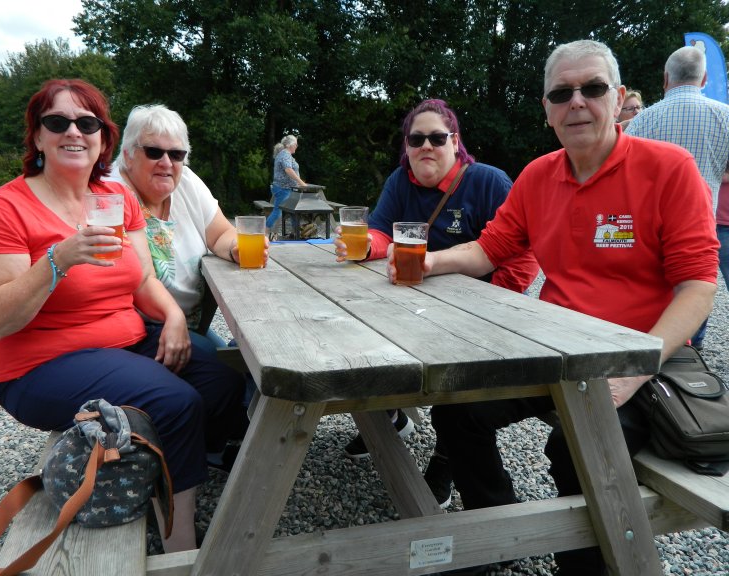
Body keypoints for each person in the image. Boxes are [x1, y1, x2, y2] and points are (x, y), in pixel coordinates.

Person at [388, 41, 718, 575]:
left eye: (592, 89)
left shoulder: (668, 168)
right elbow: (490, 248)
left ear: (619, 99)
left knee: (577, 445)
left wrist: (637, 369)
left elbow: (699, 285)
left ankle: (584, 565)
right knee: (457, 409)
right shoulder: (540, 175)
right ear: (546, 109)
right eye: (561, 93)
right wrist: (427, 262)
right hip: (556, 350)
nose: (577, 103)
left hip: (638, 356)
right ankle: (499, 536)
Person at [0, 79, 249, 553]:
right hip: (39, 366)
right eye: (58, 122)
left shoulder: (110, 200)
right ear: (37, 136)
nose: (73, 132)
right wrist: (58, 260)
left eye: (87, 122)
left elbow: (140, 279)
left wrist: (174, 319)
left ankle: (163, 468)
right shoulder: (5, 208)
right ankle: (180, 539)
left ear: (103, 138)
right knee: (177, 403)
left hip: (121, 344)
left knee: (223, 375)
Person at [334, 99, 539, 510]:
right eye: (416, 138)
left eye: (436, 137)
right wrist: (361, 247)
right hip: (417, 298)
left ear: (455, 142)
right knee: (363, 329)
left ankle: (446, 457)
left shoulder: (488, 181)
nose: (426, 146)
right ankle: (386, 415)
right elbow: (379, 232)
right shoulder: (400, 181)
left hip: (477, 312)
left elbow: (525, 253)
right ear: (406, 146)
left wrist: (496, 296)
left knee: (458, 379)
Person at [108, 104, 266, 357]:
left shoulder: (187, 183)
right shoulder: (108, 196)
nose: (166, 162)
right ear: (127, 155)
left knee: (254, 349)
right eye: (154, 151)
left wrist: (236, 248)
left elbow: (221, 233)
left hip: (189, 322)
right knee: (233, 364)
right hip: (139, 329)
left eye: (177, 154)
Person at [627, 45, 729, 349]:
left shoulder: (644, 120)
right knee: (695, 290)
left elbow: (627, 174)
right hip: (703, 226)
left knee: (654, 293)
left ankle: (651, 349)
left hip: (650, 228)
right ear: (704, 77)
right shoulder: (725, 117)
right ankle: (688, 354)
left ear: (665, 78)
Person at [268, 135, 306, 236]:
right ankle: (265, 233)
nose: (297, 146)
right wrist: (301, 182)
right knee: (278, 212)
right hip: (283, 189)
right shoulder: (285, 154)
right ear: (291, 145)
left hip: (288, 189)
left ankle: (296, 233)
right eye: (296, 144)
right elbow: (288, 170)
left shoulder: (286, 155)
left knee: (294, 211)